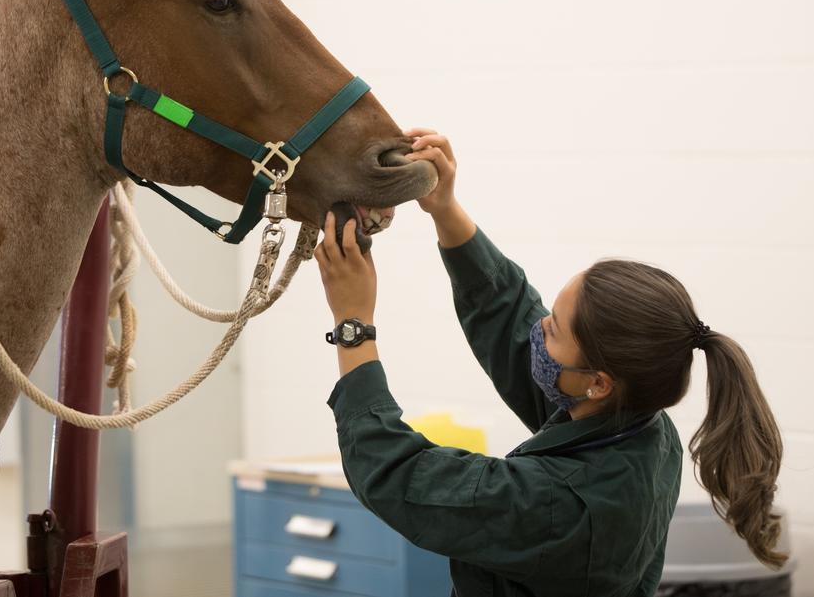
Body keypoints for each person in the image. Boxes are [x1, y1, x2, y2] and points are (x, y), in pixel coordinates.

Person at [314, 128, 787, 597]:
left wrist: (354, 323)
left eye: (554, 328)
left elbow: (394, 474)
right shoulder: (641, 427)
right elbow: (510, 317)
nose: (537, 328)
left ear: (598, 382)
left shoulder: (559, 507)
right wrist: (445, 209)